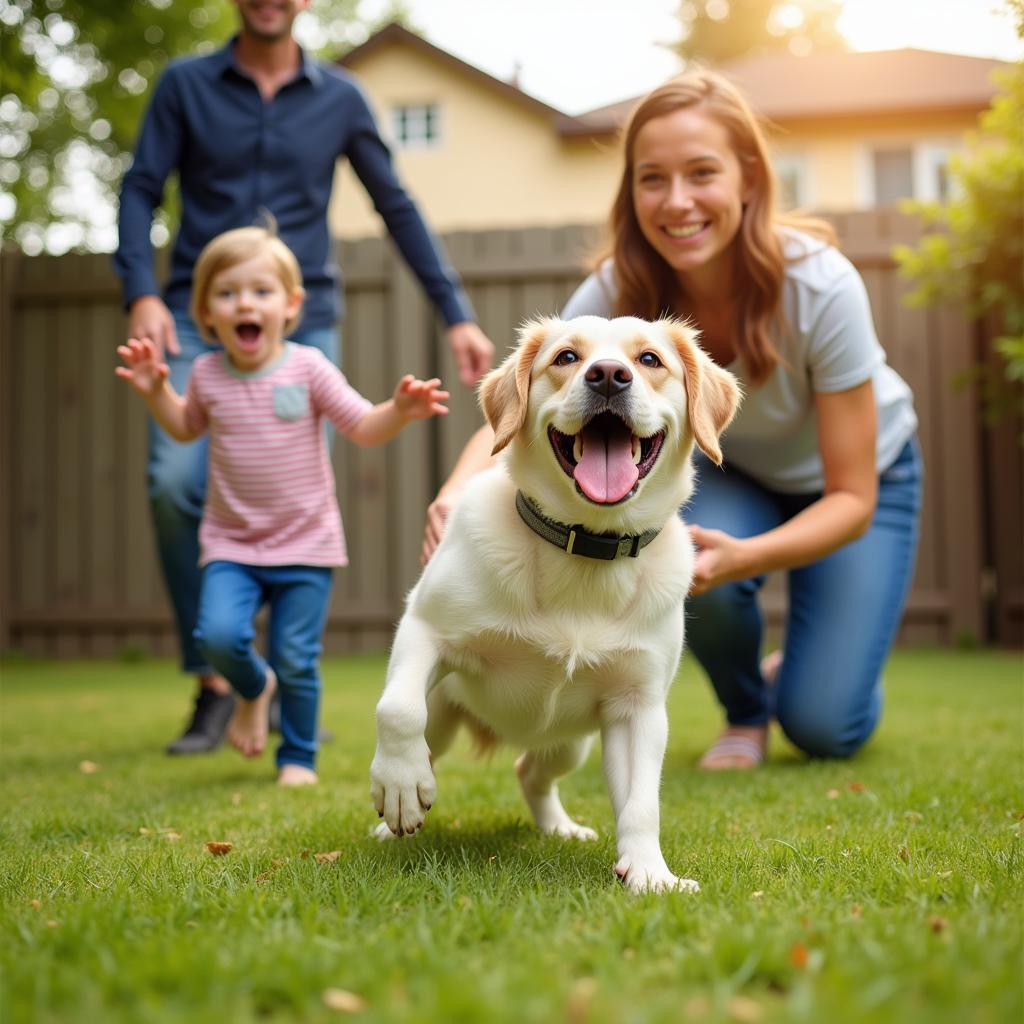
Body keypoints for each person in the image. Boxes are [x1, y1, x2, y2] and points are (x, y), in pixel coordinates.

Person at [423, 71, 922, 769]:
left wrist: (747, 558)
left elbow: (852, 496)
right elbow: (532, 397)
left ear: (748, 179)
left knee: (826, 727)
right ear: (631, 192)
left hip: (859, 480)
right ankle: (746, 711)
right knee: (680, 557)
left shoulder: (821, 285)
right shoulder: (613, 290)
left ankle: (804, 678)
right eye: (652, 179)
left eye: (702, 174)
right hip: (731, 467)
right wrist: (453, 491)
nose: (677, 201)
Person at [113, 0, 494, 754]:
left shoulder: (341, 99)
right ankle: (220, 675)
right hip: (203, 312)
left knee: (289, 484)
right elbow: (139, 189)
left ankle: (288, 672)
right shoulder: (185, 86)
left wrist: (456, 311)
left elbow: (396, 203)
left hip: (301, 316)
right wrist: (142, 292)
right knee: (174, 481)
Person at [115, 226, 449, 785]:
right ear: (207, 313)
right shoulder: (206, 374)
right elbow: (183, 427)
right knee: (217, 636)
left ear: (291, 306)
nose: (245, 303)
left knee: (297, 657)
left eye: (261, 292)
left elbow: (363, 426)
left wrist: (399, 409)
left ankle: (297, 757)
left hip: (306, 542)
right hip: (231, 543)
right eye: (228, 294)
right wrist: (155, 391)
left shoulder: (308, 367)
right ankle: (253, 687)